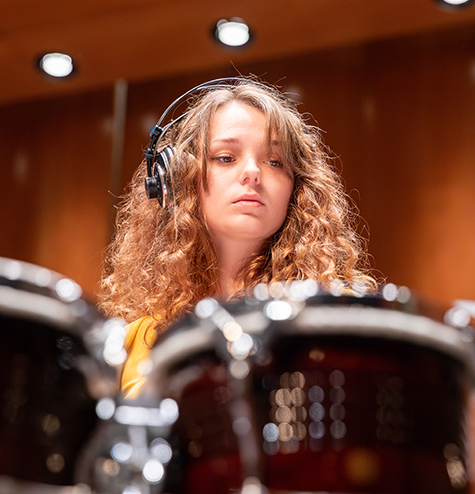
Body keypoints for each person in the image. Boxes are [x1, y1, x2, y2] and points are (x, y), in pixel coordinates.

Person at [97, 77, 376, 398]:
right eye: (225, 157)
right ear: (178, 180)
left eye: (274, 161)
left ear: (297, 189)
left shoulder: (336, 325)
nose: (253, 172)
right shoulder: (133, 346)